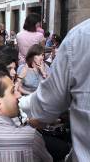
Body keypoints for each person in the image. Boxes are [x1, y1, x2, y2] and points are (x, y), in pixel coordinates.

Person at [30, 19, 90, 161]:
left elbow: (47, 104)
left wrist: (44, 73)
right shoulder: (80, 37)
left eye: (42, 54)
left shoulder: (81, 36)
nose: (42, 57)